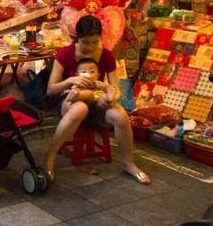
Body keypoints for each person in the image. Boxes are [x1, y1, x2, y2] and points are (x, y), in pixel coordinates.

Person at [43, 15, 150, 185]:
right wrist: (71, 81)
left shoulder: (106, 55)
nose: (90, 47)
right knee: (80, 108)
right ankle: (49, 159)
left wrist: (110, 99)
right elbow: (51, 89)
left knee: (120, 115)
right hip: (70, 103)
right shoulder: (65, 54)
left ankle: (129, 163)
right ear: (77, 37)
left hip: (96, 101)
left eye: (95, 42)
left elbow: (116, 89)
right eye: (85, 42)